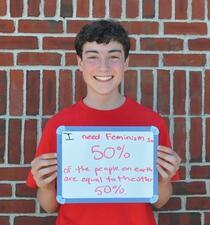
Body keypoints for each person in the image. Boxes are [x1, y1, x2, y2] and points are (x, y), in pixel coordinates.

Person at [26, 20, 181, 225]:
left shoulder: (150, 123)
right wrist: (45, 186)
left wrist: (163, 179)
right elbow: (48, 205)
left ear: (126, 62)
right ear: (80, 63)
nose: (103, 66)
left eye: (114, 57)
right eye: (92, 57)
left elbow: (160, 201)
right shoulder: (60, 125)